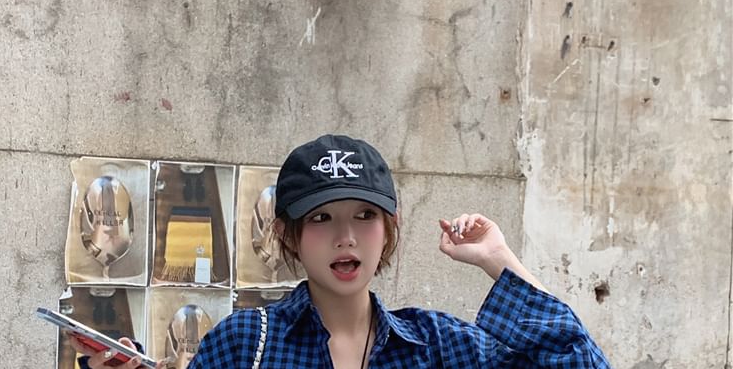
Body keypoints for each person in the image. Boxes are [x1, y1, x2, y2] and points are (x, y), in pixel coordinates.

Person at [77, 134, 611, 368]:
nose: (346, 236)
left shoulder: (437, 346)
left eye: (364, 215)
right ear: (289, 235)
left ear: (389, 228)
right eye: (321, 218)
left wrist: (499, 260)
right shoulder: (245, 346)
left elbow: (574, 362)